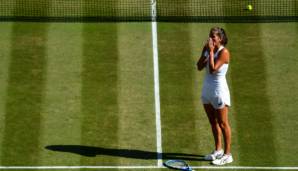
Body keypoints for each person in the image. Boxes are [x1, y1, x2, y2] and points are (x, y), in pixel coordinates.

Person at [196, 27, 233, 165]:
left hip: (219, 91)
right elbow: (199, 66)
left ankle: (227, 154)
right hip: (207, 90)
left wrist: (211, 51)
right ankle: (218, 150)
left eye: (213, 36)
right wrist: (205, 53)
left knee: (223, 123)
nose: (210, 38)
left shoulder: (224, 53)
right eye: (210, 36)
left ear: (220, 39)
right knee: (213, 122)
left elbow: (212, 70)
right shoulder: (207, 48)